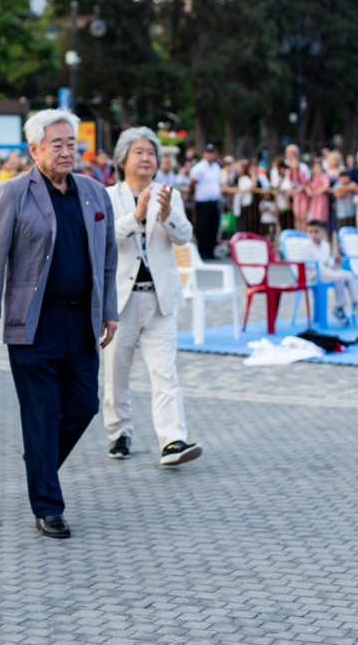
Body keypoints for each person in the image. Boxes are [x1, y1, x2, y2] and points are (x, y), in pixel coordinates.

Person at [0, 109, 118, 539]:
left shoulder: (94, 193)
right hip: (34, 322)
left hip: (82, 320)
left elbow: (107, 261)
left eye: (72, 143)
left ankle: (38, 458)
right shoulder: (14, 193)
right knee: (42, 410)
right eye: (57, 143)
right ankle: (48, 507)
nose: (68, 150)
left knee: (84, 405)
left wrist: (109, 311)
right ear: (33, 149)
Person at [99, 127, 201, 466]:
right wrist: (137, 215)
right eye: (139, 152)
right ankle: (119, 433)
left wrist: (168, 213)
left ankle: (172, 440)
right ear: (122, 159)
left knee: (165, 373)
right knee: (117, 373)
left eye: (151, 153)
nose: (146, 158)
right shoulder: (108, 196)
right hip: (120, 303)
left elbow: (184, 236)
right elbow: (105, 238)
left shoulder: (168, 194)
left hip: (159, 301)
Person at [302, 219, 358, 325]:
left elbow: (329, 263)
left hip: (327, 272)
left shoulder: (325, 245)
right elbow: (310, 266)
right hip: (314, 274)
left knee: (348, 275)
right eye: (310, 232)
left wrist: (335, 261)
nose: (314, 234)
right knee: (339, 277)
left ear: (322, 231)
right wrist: (330, 269)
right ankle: (339, 307)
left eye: (316, 231)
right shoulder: (306, 246)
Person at [188, 144, 223, 259]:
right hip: (202, 201)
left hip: (213, 201)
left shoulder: (216, 167)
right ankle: (202, 251)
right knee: (203, 227)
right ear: (205, 154)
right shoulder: (199, 168)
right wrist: (194, 195)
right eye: (209, 153)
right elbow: (192, 183)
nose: (212, 155)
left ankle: (210, 251)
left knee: (213, 226)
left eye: (213, 153)